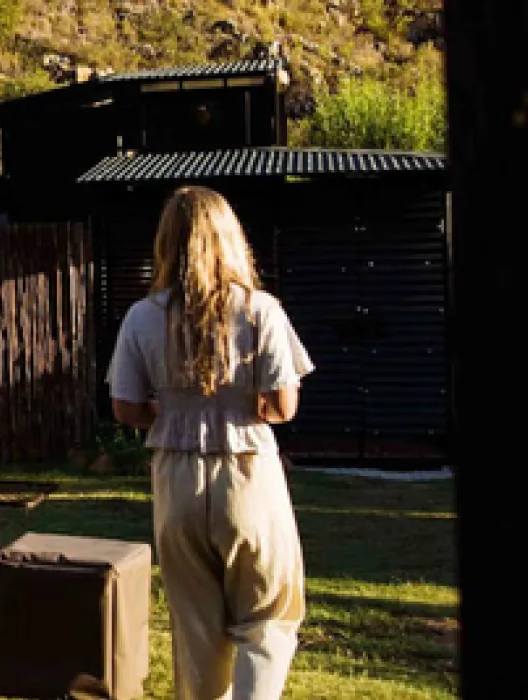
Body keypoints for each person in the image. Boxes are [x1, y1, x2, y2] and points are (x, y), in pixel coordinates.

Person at [107, 185, 314, 700]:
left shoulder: (142, 315)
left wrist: (173, 409)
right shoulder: (259, 309)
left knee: (196, 631)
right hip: (247, 472)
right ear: (230, 238)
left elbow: (125, 408)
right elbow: (283, 407)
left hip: (175, 478)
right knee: (267, 619)